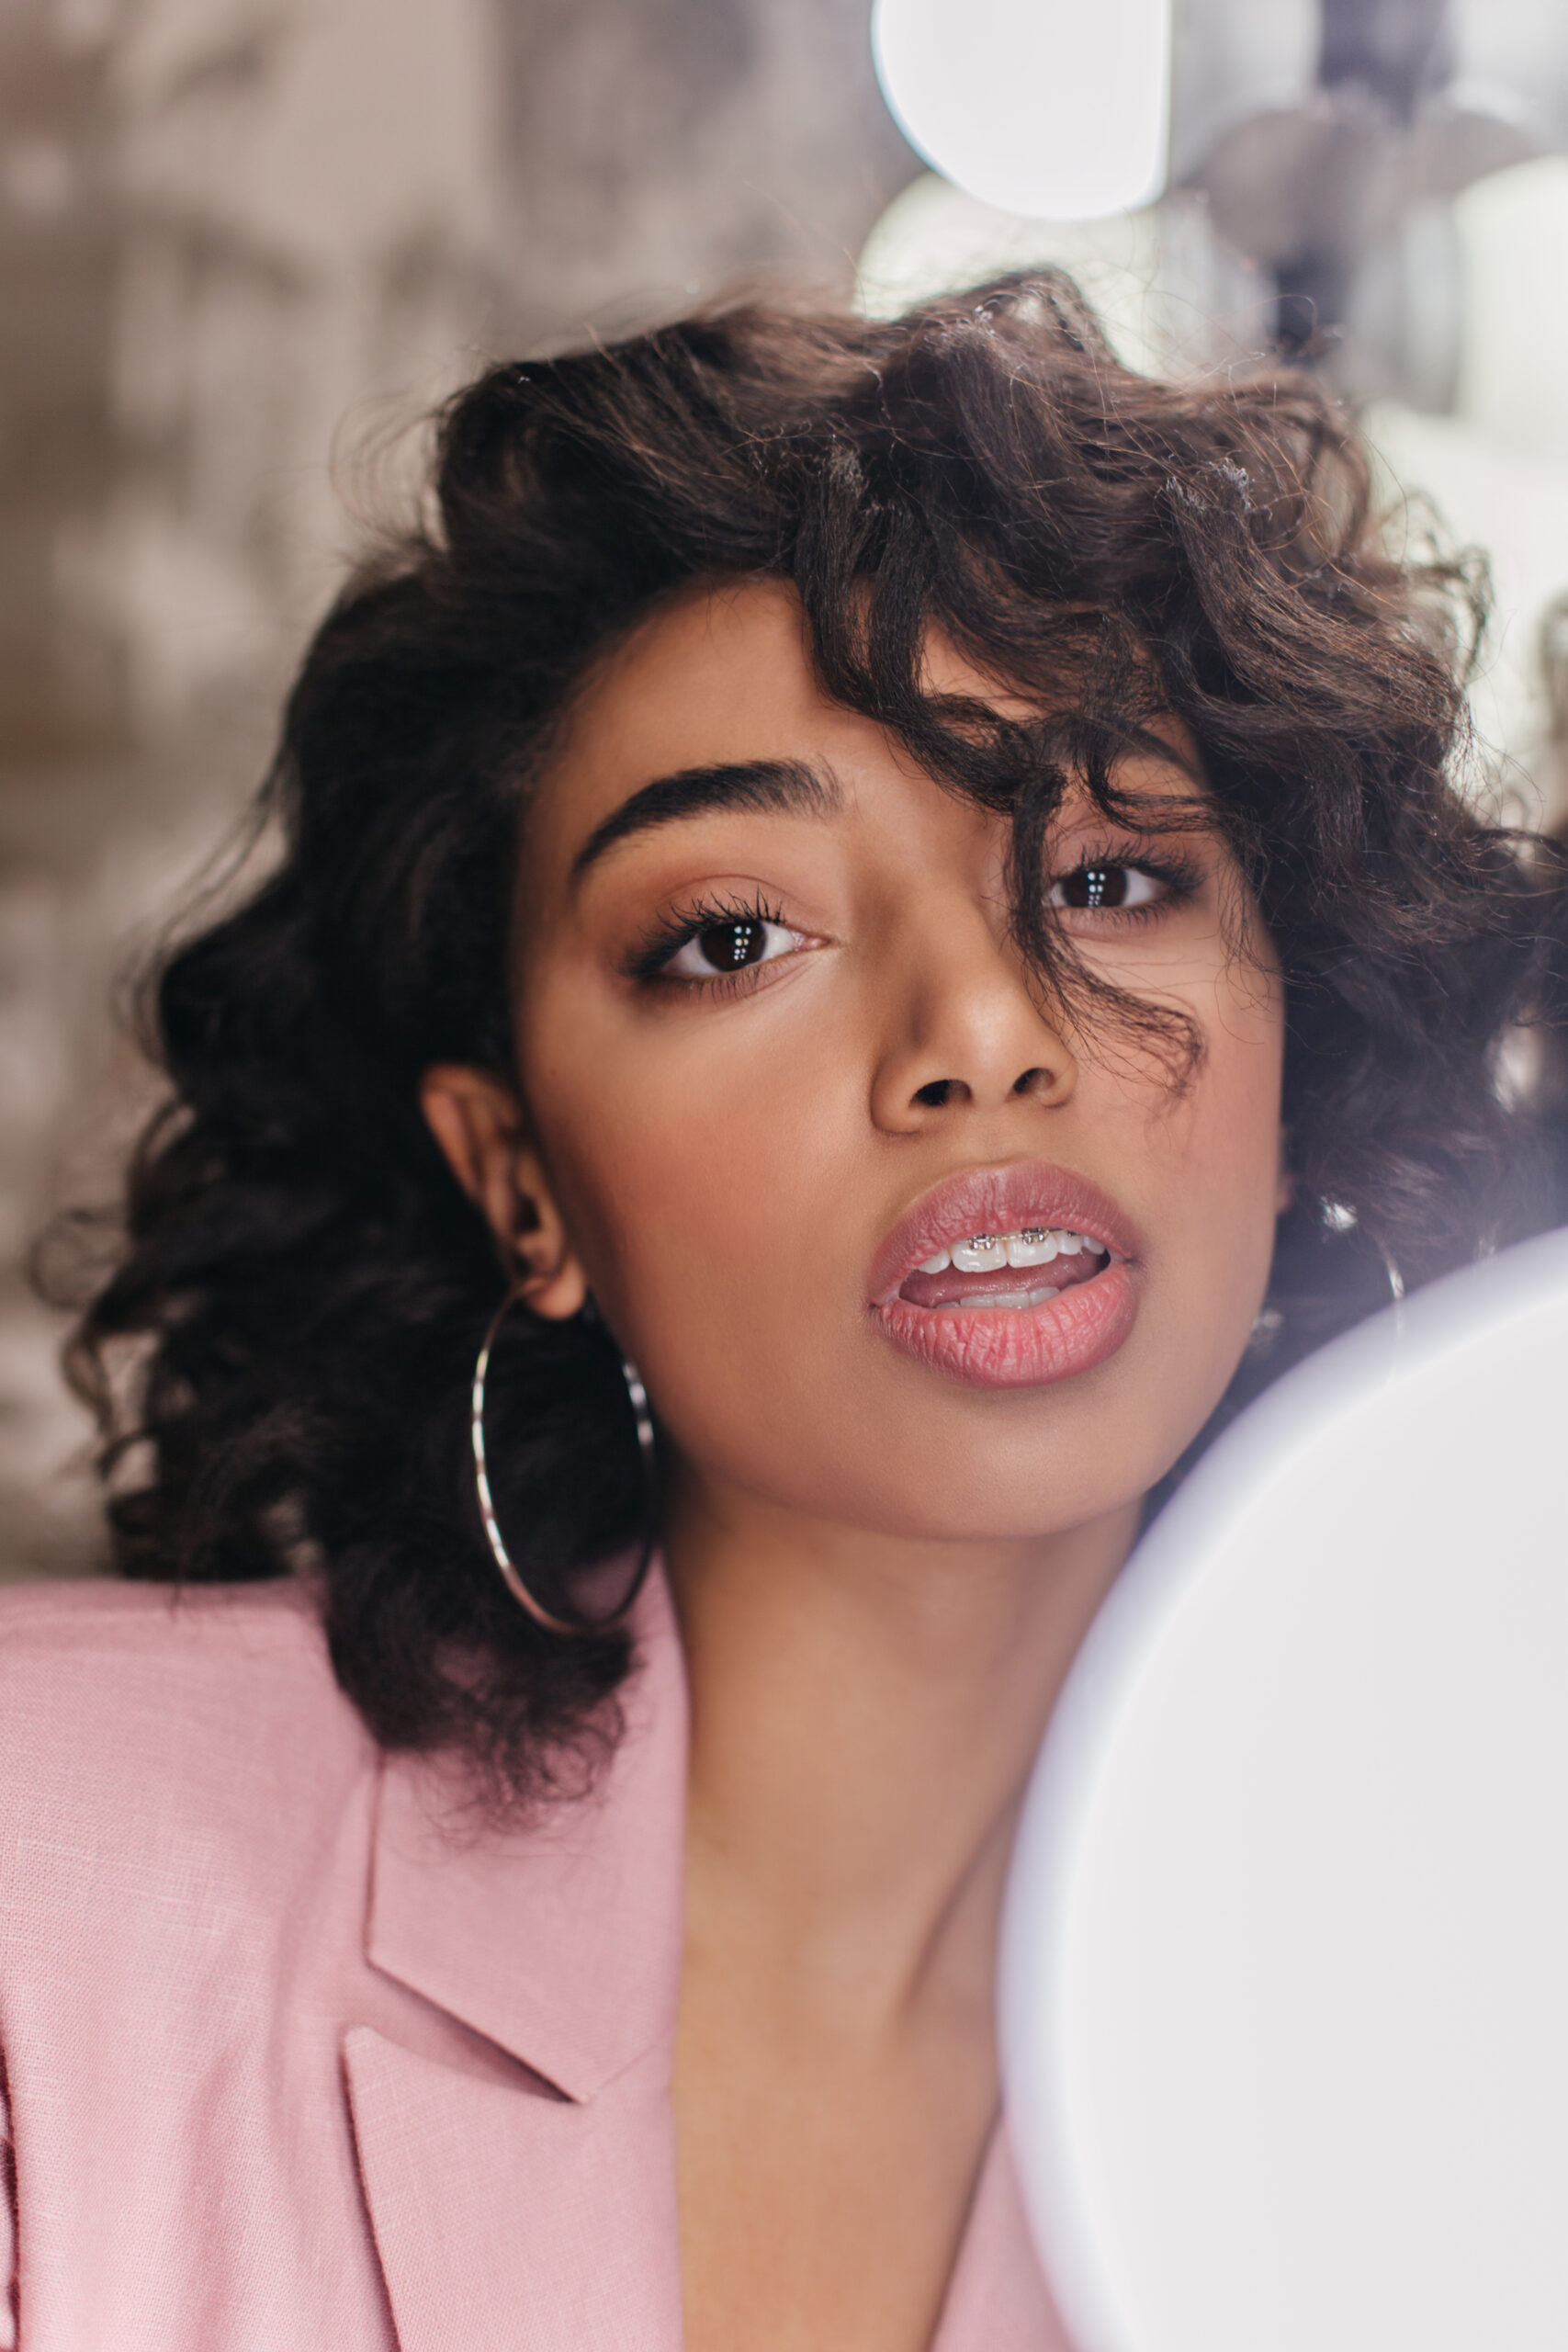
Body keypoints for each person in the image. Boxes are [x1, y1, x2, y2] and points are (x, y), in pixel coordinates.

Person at [0, 274, 1556, 2352]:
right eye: (733, 933)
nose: (982, 1033)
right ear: (520, 1180)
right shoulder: (46, 1871)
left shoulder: (1470, 2048)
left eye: (1104, 880)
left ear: (1298, 1074)